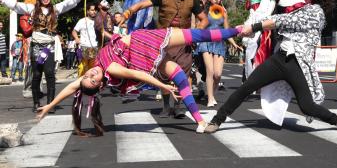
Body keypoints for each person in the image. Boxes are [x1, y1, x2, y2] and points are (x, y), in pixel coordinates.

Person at [204, 0, 337, 133]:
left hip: (297, 64)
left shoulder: (316, 12)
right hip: (280, 59)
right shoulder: (302, 9)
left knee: (307, 106)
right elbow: (279, 16)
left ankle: (336, 119)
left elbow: (283, 20)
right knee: (246, 87)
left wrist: (254, 27)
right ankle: (217, 120)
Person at [36, 26, 242, 135]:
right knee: (191, 45)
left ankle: (199, 122)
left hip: (143, 49)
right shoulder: (111, 68)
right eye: (92, 80)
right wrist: (163, 86)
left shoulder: (93, 70)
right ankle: (240, 30)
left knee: (187, 58)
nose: (90, 75)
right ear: (99, 85)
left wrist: (48, 107)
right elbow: (139, 75)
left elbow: (71, 89)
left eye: (88, 76)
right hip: (144, 45)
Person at [122, 0, 208, 118]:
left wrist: (195, 34)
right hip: (164, 42)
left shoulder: (191, 0)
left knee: (185, 75)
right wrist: (128, 13)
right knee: (164, 75)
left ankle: (179, 106)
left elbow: (204, 19)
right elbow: (141, 4)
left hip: (183, 42)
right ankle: (166, 106)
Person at [0, 0, 94, 112]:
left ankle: (50, 104)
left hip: (49, 46)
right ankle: (36, 103)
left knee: (50, 74)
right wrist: (3, 0)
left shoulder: (56, 9)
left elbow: (69, 3)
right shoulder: (32, 8)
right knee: (37, 74)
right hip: (36, 44)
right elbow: (16, 6)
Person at [196, 0, 242, 107]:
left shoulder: (224, 13)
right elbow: (199, 27)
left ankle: (211, 93)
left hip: (219, 44)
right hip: (206, 42)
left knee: (217, 74)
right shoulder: (204, 12)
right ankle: (210, 98)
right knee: (210, 71)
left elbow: (226, 31)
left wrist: (234, 44)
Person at [72, 3, 98, 77]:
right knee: (83, 67)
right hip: (84, 46)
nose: (94, 12)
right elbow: (74, 31)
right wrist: (77, 38)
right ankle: (80, 84)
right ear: (87, 11)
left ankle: (90, 86)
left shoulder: (98, 21)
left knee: (93, 68)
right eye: (92, 10)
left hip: (94, 47)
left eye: (95, 10)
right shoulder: (82, 21)